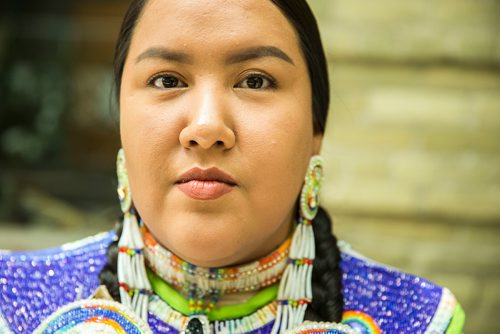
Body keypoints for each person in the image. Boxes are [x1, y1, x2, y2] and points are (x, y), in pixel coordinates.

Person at [0, 1, 465, 333]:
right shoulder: (12, 304)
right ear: (120, 119)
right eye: (167, 80)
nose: (206, 127)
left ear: (315, 128)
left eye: (256, 80)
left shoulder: (419, 320)